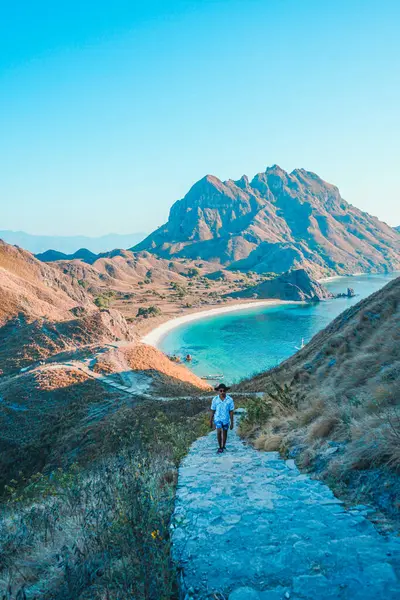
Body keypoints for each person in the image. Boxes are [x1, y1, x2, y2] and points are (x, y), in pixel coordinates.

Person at [210, 383, 235, 453]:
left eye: (224, 391)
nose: (222, 392)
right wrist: (210, 421)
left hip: (226, 419)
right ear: (218, 391)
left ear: (226, 391)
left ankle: (223, 445)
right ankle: (220, 447)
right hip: (217, 419)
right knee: (218, 432)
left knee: (225, 432)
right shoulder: (215, 399)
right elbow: (212, 410)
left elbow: (231, 411)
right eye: (220, 391)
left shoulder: (230, 399)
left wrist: (232, 423)